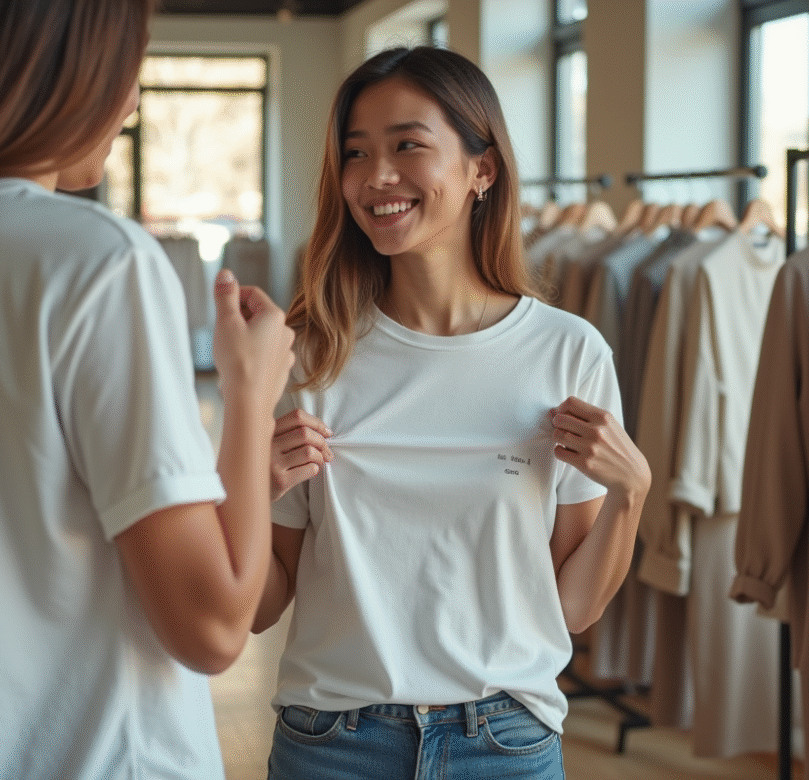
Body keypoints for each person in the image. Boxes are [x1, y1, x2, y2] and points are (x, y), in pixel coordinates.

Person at [0, 1, 294, 778]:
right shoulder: (96, 261)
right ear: (64, 65)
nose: (134, 97)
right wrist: (250, 391)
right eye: (128, 63)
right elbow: (212, 628)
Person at [254, 46, 651, 779]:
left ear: (483, 170)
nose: (377, 177)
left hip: (504, 742)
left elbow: (574, 609)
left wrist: (632, 494)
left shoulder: (568, 352)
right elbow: (258, 608)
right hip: (331, 742)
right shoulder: (309, 354)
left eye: (408, 145)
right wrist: (252, 496)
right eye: (355, 153)